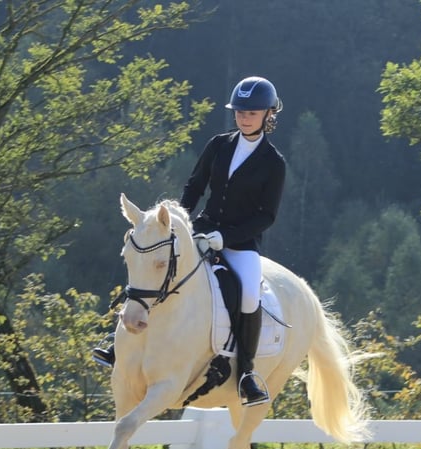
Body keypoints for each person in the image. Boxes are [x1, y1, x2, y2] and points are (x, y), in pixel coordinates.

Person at [93, 76, 286, 407]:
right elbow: (195, 187)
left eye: (252, 112)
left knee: (250, 295)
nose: (244, 117)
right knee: (153, 263)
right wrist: (181, 222)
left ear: (269, 114)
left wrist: (225, 237)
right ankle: (119, 345)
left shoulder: (274, 163)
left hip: (239, 242)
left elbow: (266, 216)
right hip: (201, 229)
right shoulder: (218, 145)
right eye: (239, 111)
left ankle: (247, 374)